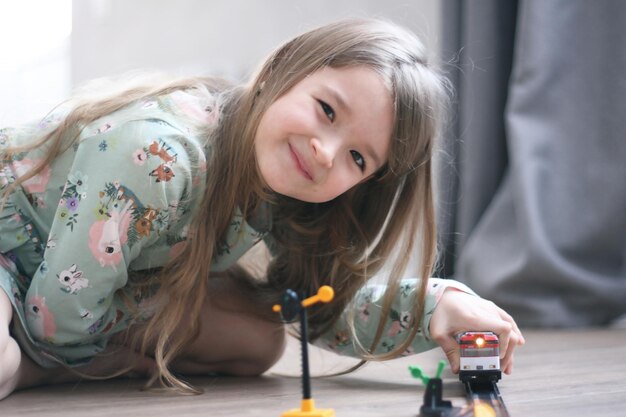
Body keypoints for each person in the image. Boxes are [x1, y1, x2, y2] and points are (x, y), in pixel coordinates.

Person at [0, 18, 524, 399]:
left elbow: (319, 308)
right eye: (326, 110)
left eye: (358, 158)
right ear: (280, 70)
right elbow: (60, 319)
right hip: (13, 255)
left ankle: (73, 359)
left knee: (261, 341)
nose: (326, 151)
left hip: (83, 285)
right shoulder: (157, 156)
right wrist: (62, 357)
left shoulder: (282, 188)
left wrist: (437, 304)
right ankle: (36, 372)